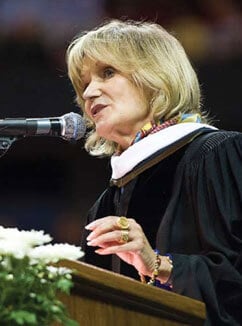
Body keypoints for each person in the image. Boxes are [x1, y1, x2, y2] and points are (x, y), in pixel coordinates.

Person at [66, 19, 242, 325]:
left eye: (107, 72)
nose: (90, 92)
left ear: (154, 78)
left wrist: (157, 264)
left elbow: (234, 284)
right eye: (84, 84)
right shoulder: (106, 202)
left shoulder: (215, 154)